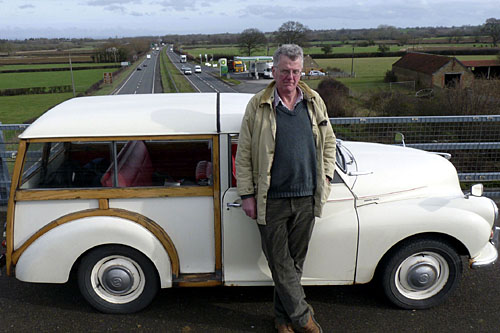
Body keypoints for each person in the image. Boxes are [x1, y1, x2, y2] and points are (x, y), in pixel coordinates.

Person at [235, 44, 336, 333]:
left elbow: (329, 142)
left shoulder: (314, 100)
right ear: (274, 70)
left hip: (307, 197)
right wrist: (247, 194)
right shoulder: (258, 104)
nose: (290, 77)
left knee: (293, 265)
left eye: (295, 71)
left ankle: (282, 320)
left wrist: (326, 178)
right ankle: (303, 319)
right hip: (272, 199)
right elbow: (244, 153)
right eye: (284, 71)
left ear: (300, 71)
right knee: (280, 264)